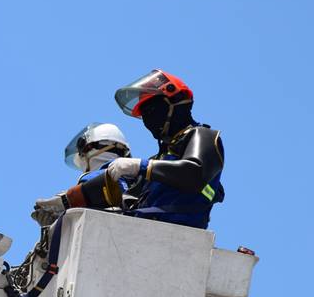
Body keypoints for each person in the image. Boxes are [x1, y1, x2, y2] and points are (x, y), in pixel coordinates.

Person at [33, 69, 224, 229]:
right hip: (144, 228)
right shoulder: (160, 159)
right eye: (144, 116)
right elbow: (119, 190)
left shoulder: (203, 136)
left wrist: (140, 166)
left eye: (151, 111)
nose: (148, 121)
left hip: (176, 232)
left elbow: (194, 173)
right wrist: (65, 204)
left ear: (174, 104)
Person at [31, 122, 132, 227]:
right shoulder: (135, 177)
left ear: (90, 148)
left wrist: (64, 201)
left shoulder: (96, 179)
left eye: (82, 149)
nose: (81, 155)